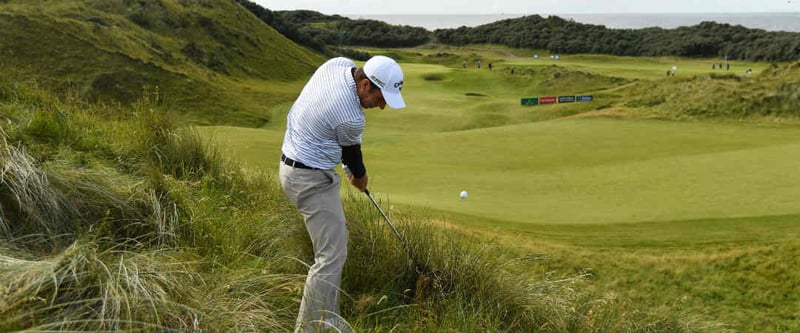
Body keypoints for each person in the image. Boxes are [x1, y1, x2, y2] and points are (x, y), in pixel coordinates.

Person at [279, 55, 406, 333]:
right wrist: (359, 176)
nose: (383, 106)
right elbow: (353, 156)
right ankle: (311, 327)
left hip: (293, 162)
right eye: (381, 97)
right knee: (331, 254)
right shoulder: (350, 117)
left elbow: (343, 145)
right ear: (364, 85)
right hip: (310, 179)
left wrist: (349, 167)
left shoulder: (336, 64)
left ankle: (327, 314)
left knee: (336, 244)